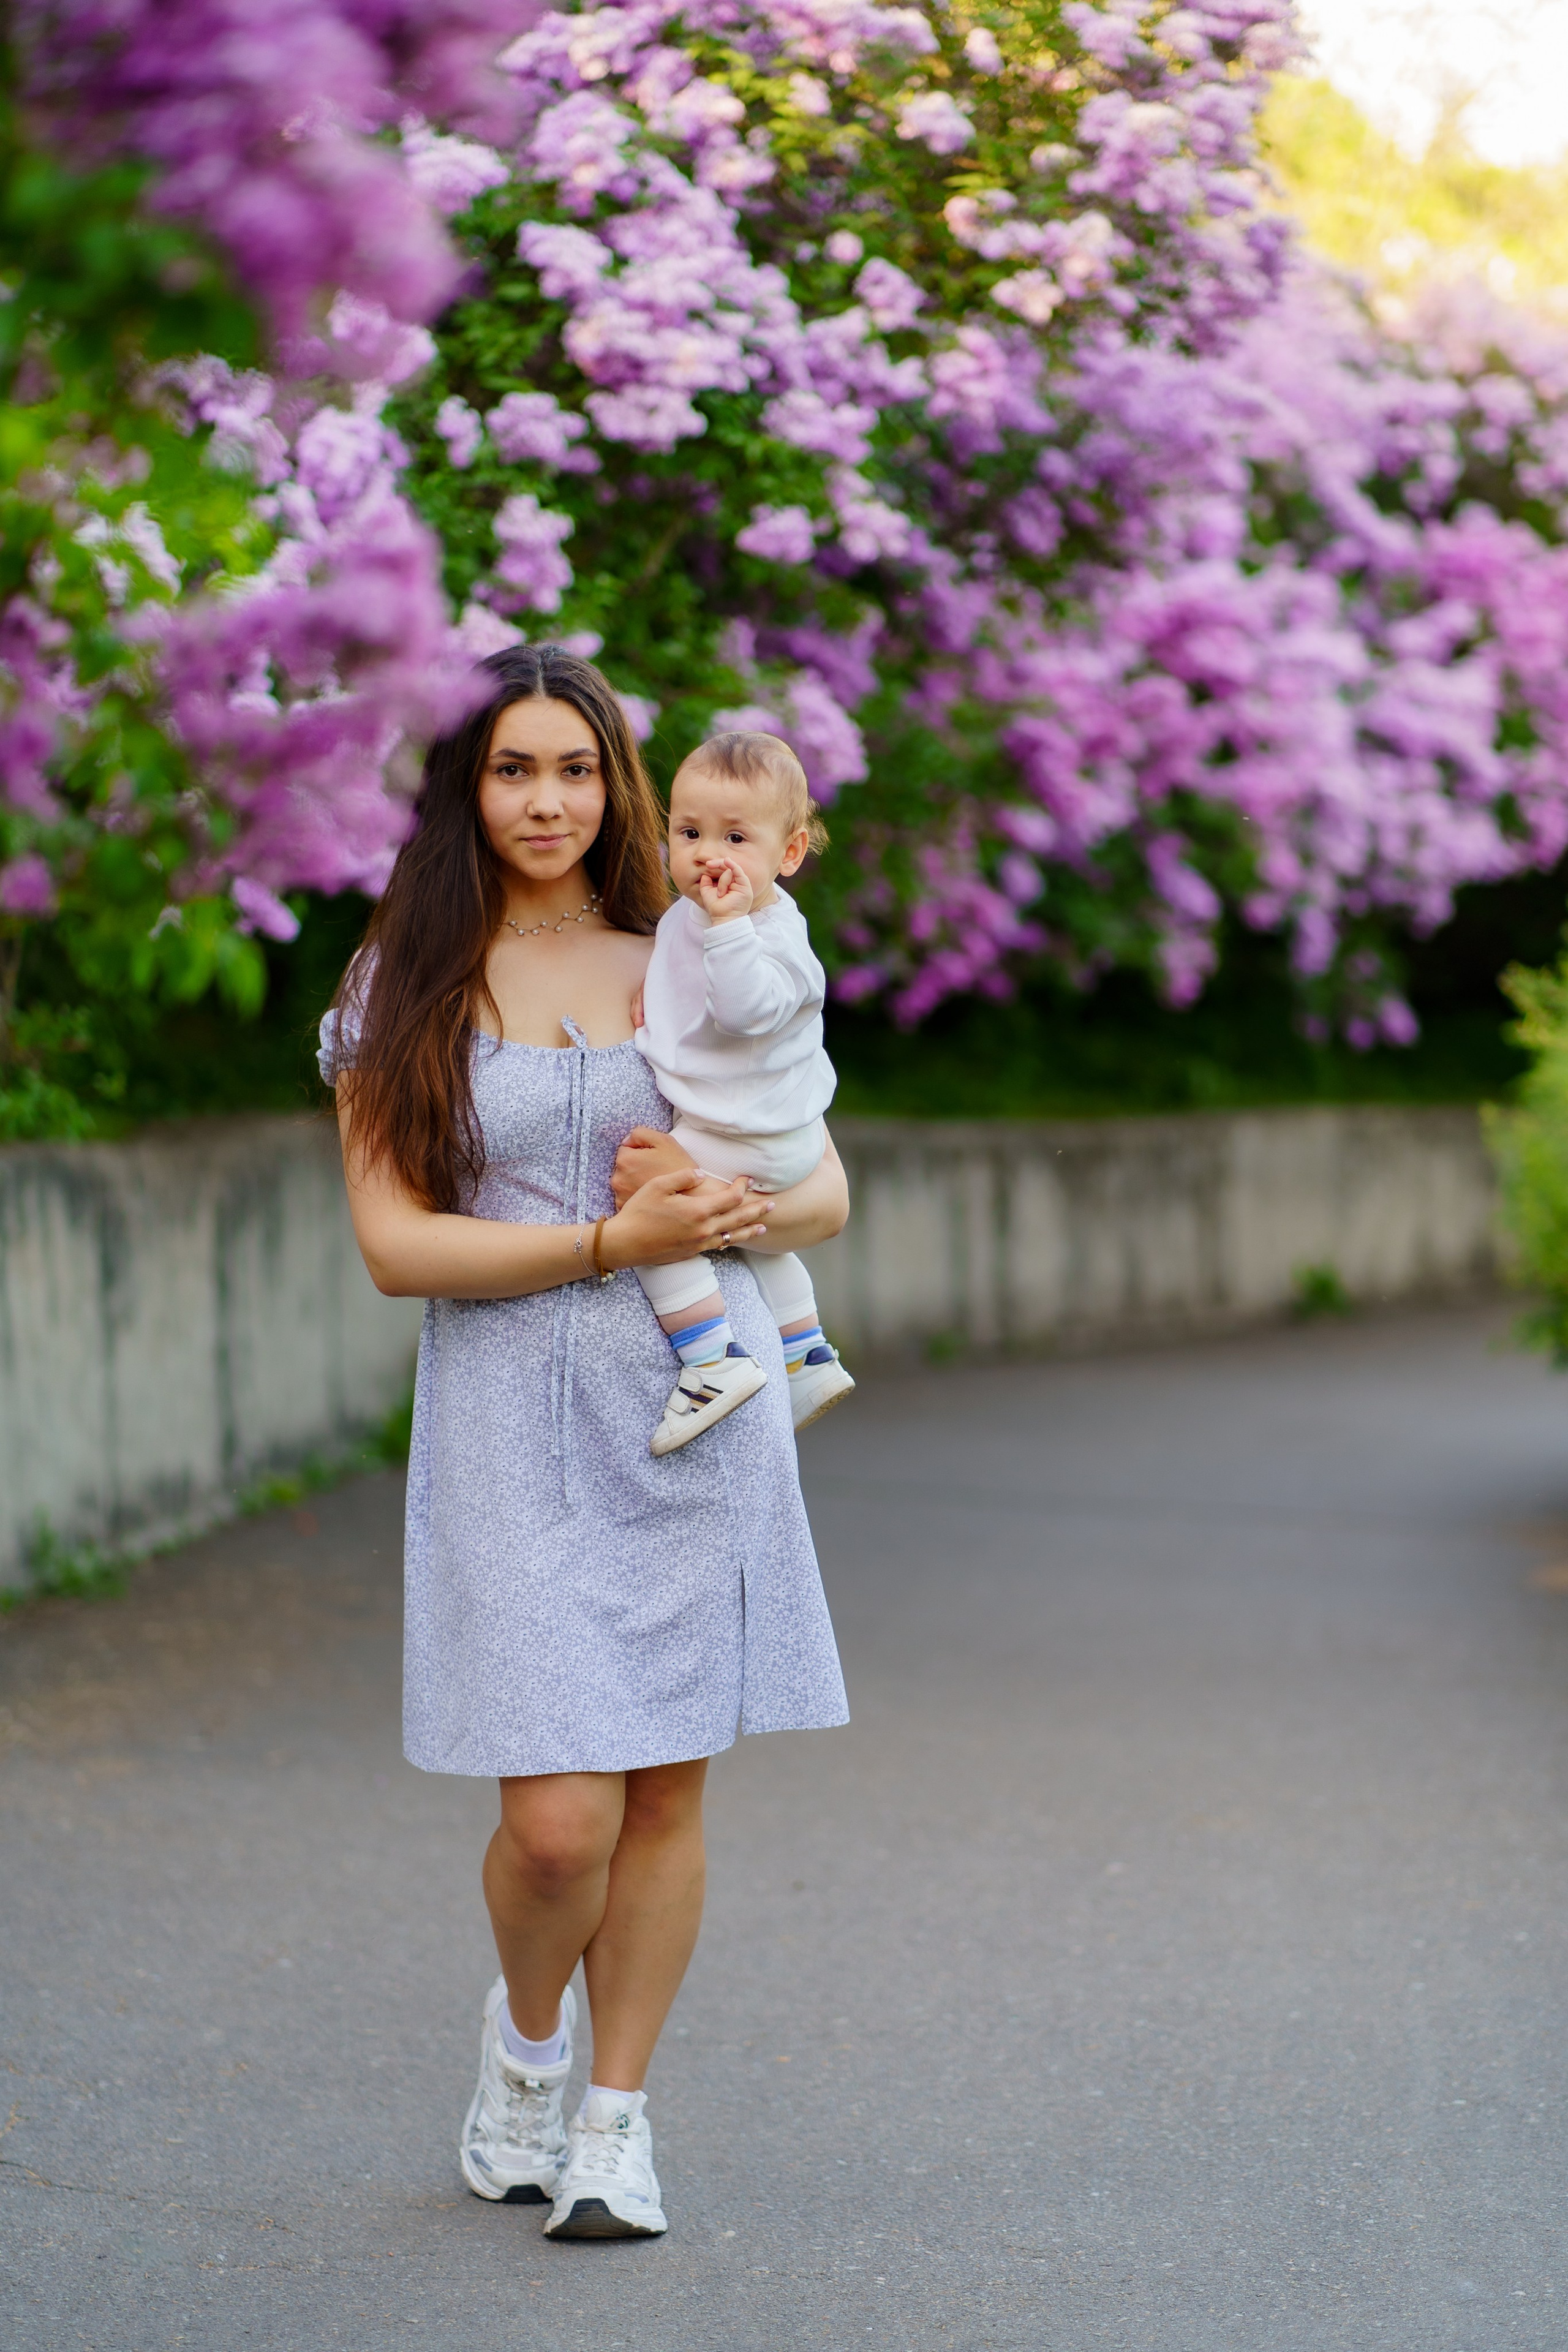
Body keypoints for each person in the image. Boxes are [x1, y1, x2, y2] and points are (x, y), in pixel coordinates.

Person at [319, 643, 850, 2242]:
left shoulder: (695, 947)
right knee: (556, 1824)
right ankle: (527, 2046)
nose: (545, 801)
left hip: (699, 1407)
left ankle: (616, 2123)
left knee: (667, 1797)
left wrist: (723, 1211)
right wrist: (616, 1247)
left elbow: (822, 1190)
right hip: (504, 1409)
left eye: (573, 768)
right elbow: (396, 1251)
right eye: (509, 769)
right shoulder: (399, 984)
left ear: (616, 783)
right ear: (463, 791)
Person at [630, 728, 856, 1457]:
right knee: (761, 1250)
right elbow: (687, 995)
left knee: (653, 1219)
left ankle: (710, 1361)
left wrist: (728, 928)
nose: (708, 854)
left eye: (735, 837)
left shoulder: (770, 939)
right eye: (689, 831)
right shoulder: (693, 918)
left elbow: (742, 1010)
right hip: (759, 1131)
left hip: (754, 1136)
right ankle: (806, 1354)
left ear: (787, 855)